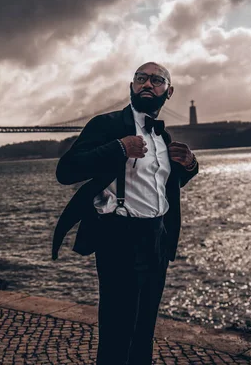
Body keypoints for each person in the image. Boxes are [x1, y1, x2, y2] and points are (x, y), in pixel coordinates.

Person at [52, 62, 199, 364]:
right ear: (131, 87)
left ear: (168, 92)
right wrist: (119, 148)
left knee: (144, 330)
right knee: (118, 331)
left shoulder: (163, 137)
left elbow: (160, 185)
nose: (147, 84)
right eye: (140, 79)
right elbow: (66, 171)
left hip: (157, 238)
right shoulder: (105, 125)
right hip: (118, 236)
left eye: (156, 80)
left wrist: (190, 165)